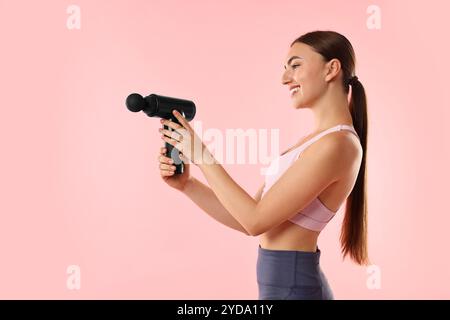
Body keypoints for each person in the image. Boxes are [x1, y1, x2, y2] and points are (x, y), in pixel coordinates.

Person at [157, 30, 369, 300]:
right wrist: (188, 185)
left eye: (295, 65)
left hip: (295, 288)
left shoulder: (338, 145)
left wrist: (202, 156)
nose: (284, 78)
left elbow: (254, 221)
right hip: (280, 285)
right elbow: (245, 217)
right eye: (284, 68)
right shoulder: (314, 142)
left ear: (332, 69)